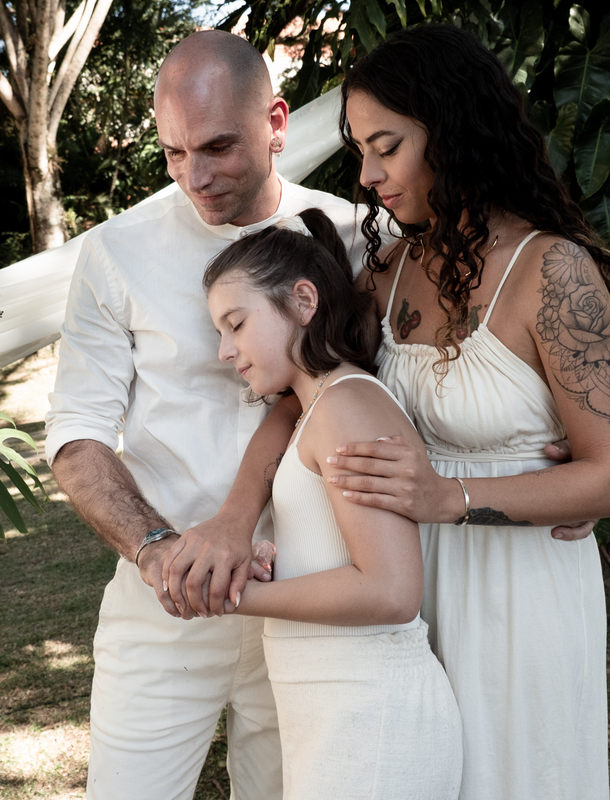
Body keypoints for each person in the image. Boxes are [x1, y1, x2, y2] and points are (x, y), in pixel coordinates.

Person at [44, 30, 377, 800]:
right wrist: (158, 550)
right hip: (164, 606)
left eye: (218, 147)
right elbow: (76, 438)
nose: (196, 176)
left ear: (277, 123)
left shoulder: (355, 240)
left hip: (312, 602)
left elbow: (393, 387)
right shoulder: (114, 253)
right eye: (173, 153)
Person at [326, 23, 610, 800]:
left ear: (453, 126)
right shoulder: (388, 271)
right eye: (360, 149)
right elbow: (317, 389)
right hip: (411, 587)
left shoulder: (552, 271)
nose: (367, 175)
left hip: (522, 594)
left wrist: (450, 496)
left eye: (386, 146)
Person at [202, 207, 463, 799]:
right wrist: (278, 562)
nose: (224, 350)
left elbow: (392, 591)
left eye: (236, 324)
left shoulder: (346, 406)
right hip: (336, 709)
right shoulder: (317, 408)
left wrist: (238, 597)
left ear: (302, 300)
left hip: (374, 721)